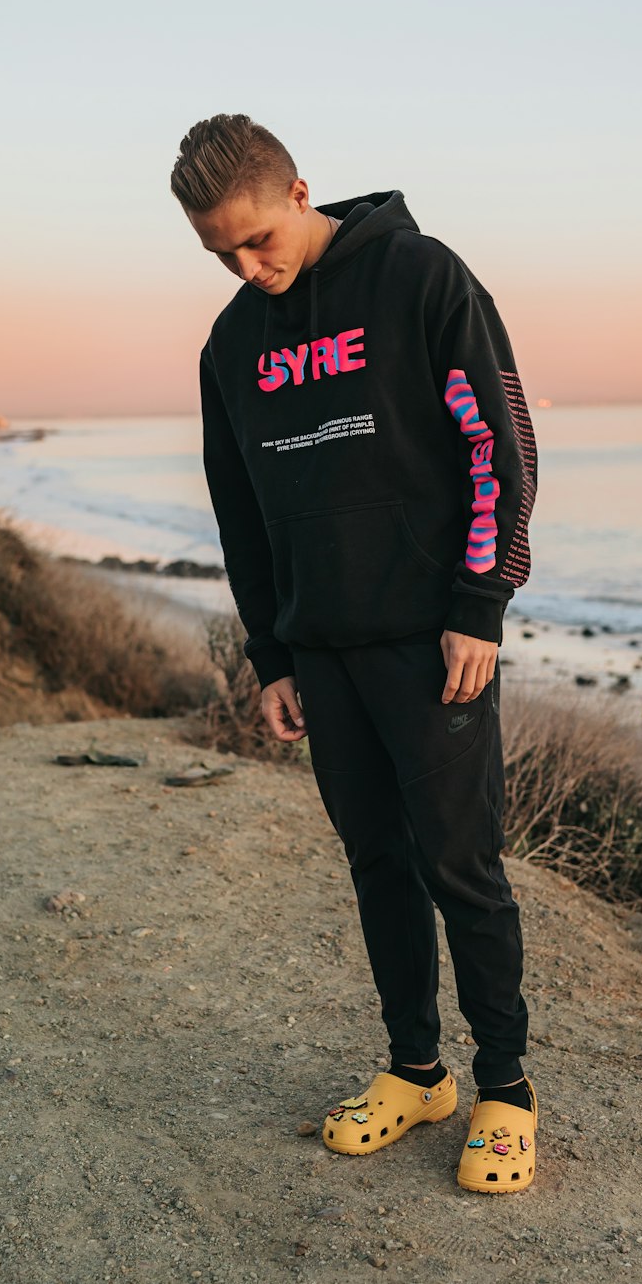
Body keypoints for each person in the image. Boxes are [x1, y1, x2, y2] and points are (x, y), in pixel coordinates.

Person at [170, 114, 539, 1194]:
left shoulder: (421, 278)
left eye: (256, 241)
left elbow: (497, 445)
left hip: (434, 643)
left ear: (299, 192)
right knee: (375, 864)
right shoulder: (230, 345)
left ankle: (505, 1091)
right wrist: (269, 654)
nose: (247, 269)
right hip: (320, 652)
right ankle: (415, 1072)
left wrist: (480, 604)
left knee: (459, 867)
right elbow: (238, 510)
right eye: (219, 255)